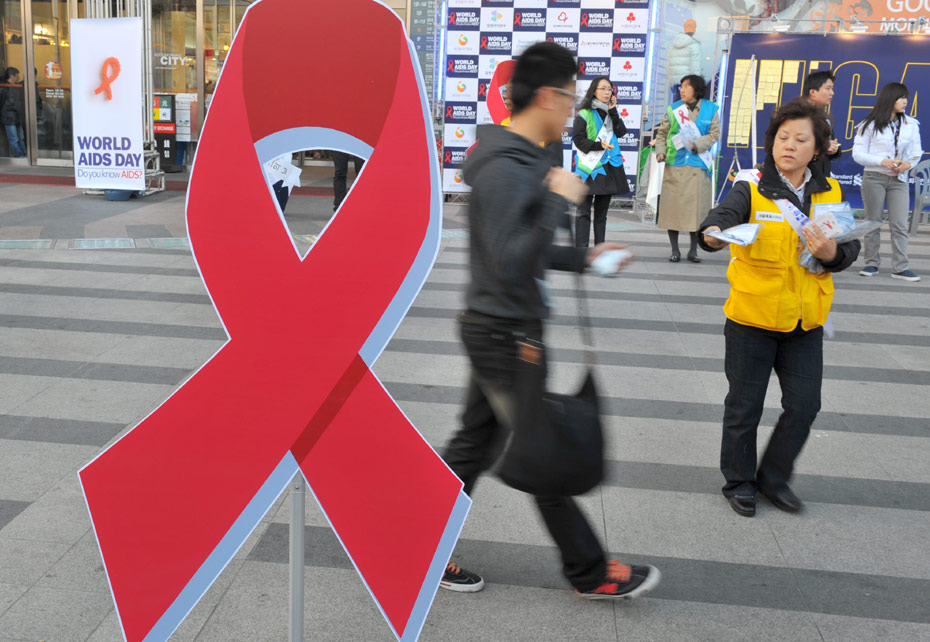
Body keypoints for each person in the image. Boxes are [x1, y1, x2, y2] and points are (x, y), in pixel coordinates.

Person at [440, 41, 661, 599]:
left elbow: (522, 248)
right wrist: (558, 201)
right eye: (569, 96)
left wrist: (583, 258)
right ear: (545, 96)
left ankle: (417, 542)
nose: (573, 108)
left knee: (472, 446)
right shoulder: (508, 170)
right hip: (505, 333)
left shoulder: (522, 159)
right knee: (542, 449)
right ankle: (589, 571)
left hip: (499, 324)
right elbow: (511, 259)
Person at [698, 100, 861, 518]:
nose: (789, 145)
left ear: (817, 148)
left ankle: (773, 477)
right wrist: (713, 233)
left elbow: (848, 247)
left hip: (805, 320)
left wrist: (831, 254)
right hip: (752, 318)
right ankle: (739, 482)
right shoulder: (752, 187)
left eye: (800, 139)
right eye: (782, 137)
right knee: (744, 406)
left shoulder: (831, 190)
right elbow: (721, 218)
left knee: (805, 405)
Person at [852, 82, 923, 282]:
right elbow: (858, 154)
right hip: (874, 178)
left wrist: (908, 165)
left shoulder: (911, 124)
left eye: (906, 97)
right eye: (901, 97)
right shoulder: (868, 124)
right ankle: (871, 263)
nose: (905, 101)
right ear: (890, 99)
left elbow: (917, 152)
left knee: (899, 224)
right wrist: (881, 161)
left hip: (899, 179)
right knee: (872, 221)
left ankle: (901, 267)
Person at [654, 75, 720, 263]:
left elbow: (714, 134)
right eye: (681, 86)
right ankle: (674, 250)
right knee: (673, 209)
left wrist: (696, 145)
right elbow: (662, 134)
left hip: (698, 166)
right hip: (676, 164)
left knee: (697, 212)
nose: (681, 90)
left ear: (696, 89)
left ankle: (693, 250)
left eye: (686, 86)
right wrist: (661, 152)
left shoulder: (711, 109)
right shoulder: (673, 109)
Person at [572, 76, 629, 247]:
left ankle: (599, 248)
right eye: (602, 88)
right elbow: (578, 140)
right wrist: (598, 145)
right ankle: (581, 250)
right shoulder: (584, 114)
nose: (606, 92)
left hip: (609, 167)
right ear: (594, 91)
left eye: (609, 89)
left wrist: (613, 111)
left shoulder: (611, 112)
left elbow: (621, 132)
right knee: (583, 211)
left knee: (602, 213)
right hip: (590, 167)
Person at [799, 70, 841, 177]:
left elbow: (827, 143)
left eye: (832, 88)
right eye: (828, 88)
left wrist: (834, 149)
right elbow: (797, 144)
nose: (832, 93)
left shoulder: (825, 118)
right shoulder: (798, 115)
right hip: (801, 175)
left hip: (821, 176)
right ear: (813, 92)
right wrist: (823, 146)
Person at [0, 67, 27, 158]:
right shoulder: (4, 88)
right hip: (8, 117)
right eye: (17, 75)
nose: (18, 77)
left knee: (20, 138)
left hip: (17, 116)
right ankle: (20, 155)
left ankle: (24, 154)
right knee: (14, 139)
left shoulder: (16, 86)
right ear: (12, 76)